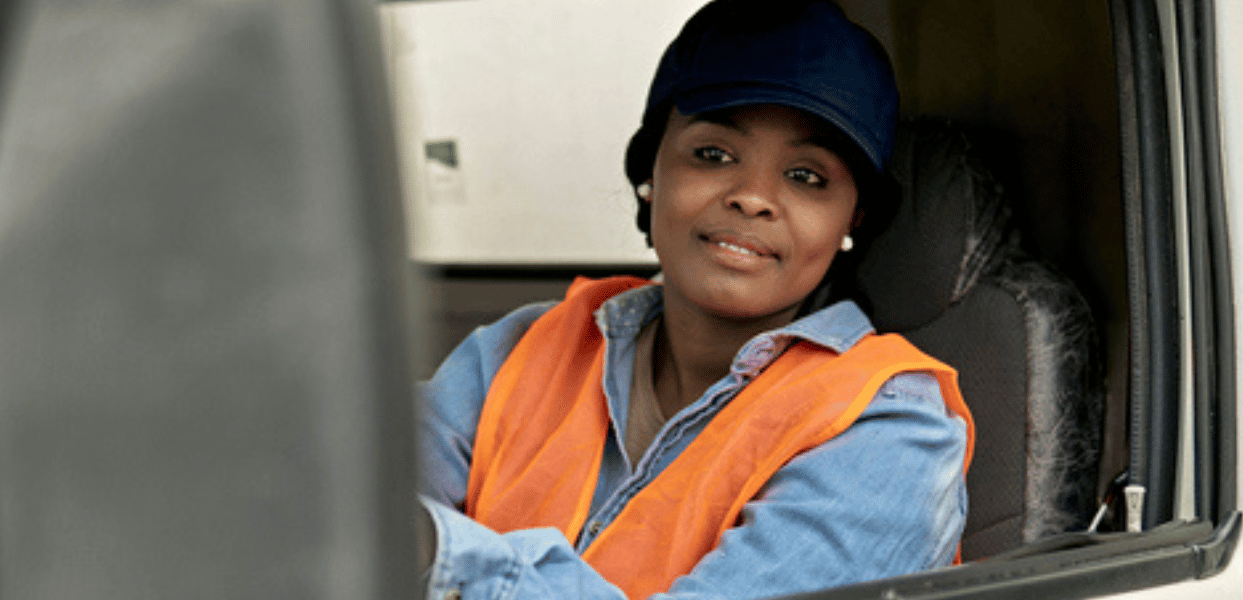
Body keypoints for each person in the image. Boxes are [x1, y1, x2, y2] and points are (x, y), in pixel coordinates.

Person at [415, 1, 975, 599]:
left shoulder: (891, 433)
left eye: (807, 176)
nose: (753, 198)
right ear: (651, 171)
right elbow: (355, 491)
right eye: (714, 155)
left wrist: (431, 550)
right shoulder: (526, 347)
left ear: (852, 220)